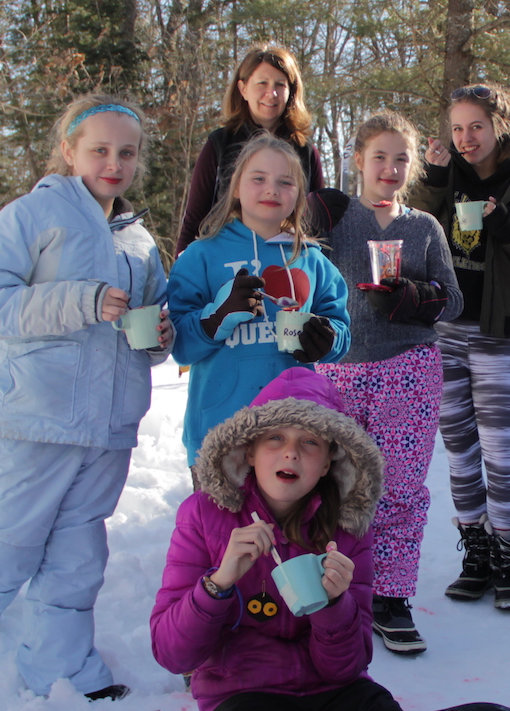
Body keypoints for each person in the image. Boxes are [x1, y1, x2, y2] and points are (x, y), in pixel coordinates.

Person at [150, 367, 510, 711]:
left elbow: (347, 666)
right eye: (275, 438)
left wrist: (335, 607)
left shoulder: (347, 527)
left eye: (310, 442)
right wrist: (219, 583)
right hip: (245, 695)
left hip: (336, 693)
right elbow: (171, 653)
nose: (291, 451)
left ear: (329, 461)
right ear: (248, 450)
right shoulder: (204, 515)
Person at [0, 94, 173, 700]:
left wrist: (160, 336)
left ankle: (63, 668)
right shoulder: (32, 217)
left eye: (127, 152)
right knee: (11, 540)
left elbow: (154, 324)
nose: (114, 162)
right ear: (70, 150)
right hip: (33, 416)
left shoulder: (140, 242)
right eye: (100, 150)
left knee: (79, 556)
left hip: (108, 426)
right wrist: (80, 300)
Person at [408, 82, 510, 611]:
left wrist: (505, 223)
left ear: (500, 126)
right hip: (445, 329)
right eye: (457, 128)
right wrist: (430, 177)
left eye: (476, 126)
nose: (466, 137)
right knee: (460, 452)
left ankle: (507, 558)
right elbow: (413, 228)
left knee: (500, 452)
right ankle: (475, 556)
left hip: (500, 333)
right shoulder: (444, 176)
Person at [316, 110, 463, 654]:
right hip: (339, 368)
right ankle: (336, 587)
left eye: (402, 158)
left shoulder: (423, 227)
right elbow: (296, 270)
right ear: (358, 160)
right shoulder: (334, 219)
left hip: (407, 368)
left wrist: (416, 297)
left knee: (399, 489)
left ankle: (392, 599)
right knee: (333, 486)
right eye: (380, 156)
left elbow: (454, 298)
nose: (391, 167)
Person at [168, 132, 351, 469]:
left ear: (299, 196)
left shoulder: (311, 259)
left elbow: (340, 329)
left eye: (285, 182)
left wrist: (325, 339)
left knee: (288, 523)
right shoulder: (201, 256)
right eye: (259, 179)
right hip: (220, 429)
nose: (272, 189)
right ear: (236, 188)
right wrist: (217, 317)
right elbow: (180, 345)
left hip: (293, 433)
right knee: (220, 523)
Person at [176, 43, 345, 253]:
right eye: (262, 83)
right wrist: (181, 270)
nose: (271, 93)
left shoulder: (304, 150)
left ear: (291, 91)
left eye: (280, 85)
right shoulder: (219, 144)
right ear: (243, 89)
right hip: (226, 256)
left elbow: (317, 225)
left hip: (285, 260)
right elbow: (194, 219)